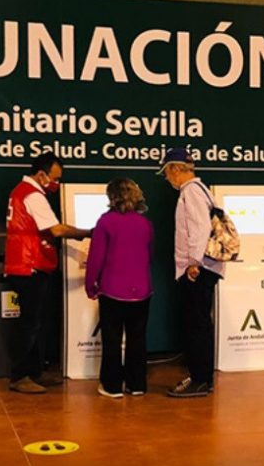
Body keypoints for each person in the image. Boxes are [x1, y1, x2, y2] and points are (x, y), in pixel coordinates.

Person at [4, 152, 91, 394]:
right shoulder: (33, 195)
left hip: (23, 264)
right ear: (41, 174)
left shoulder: (20, 191)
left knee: (33, 322)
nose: (56, 184)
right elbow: (56, 229)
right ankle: (21, 375)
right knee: (29, 323)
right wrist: (90, 232)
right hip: (29, 265)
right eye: (55, 178)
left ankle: (32, 373)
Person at [158, 148, 225, 398]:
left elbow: (200, 228)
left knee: (196, 325)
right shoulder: (201, 190)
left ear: (176, 169)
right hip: (204, 266)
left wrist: (194, 262)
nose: (167, 178)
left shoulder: (191, 192)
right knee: (199, 324)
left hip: (198, 268)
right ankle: (202, 377)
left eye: (167, 172)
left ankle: (199, 379)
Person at [85, 178, 154, 399]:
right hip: (142, 290)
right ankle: (137, 384)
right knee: (138, 338)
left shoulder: (105, 222)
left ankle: (112, 386)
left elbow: (96, 258)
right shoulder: (145, 223)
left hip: (113, 290)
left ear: (111, 197)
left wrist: (91, 285)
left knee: (112, 339)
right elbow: (149, 255)